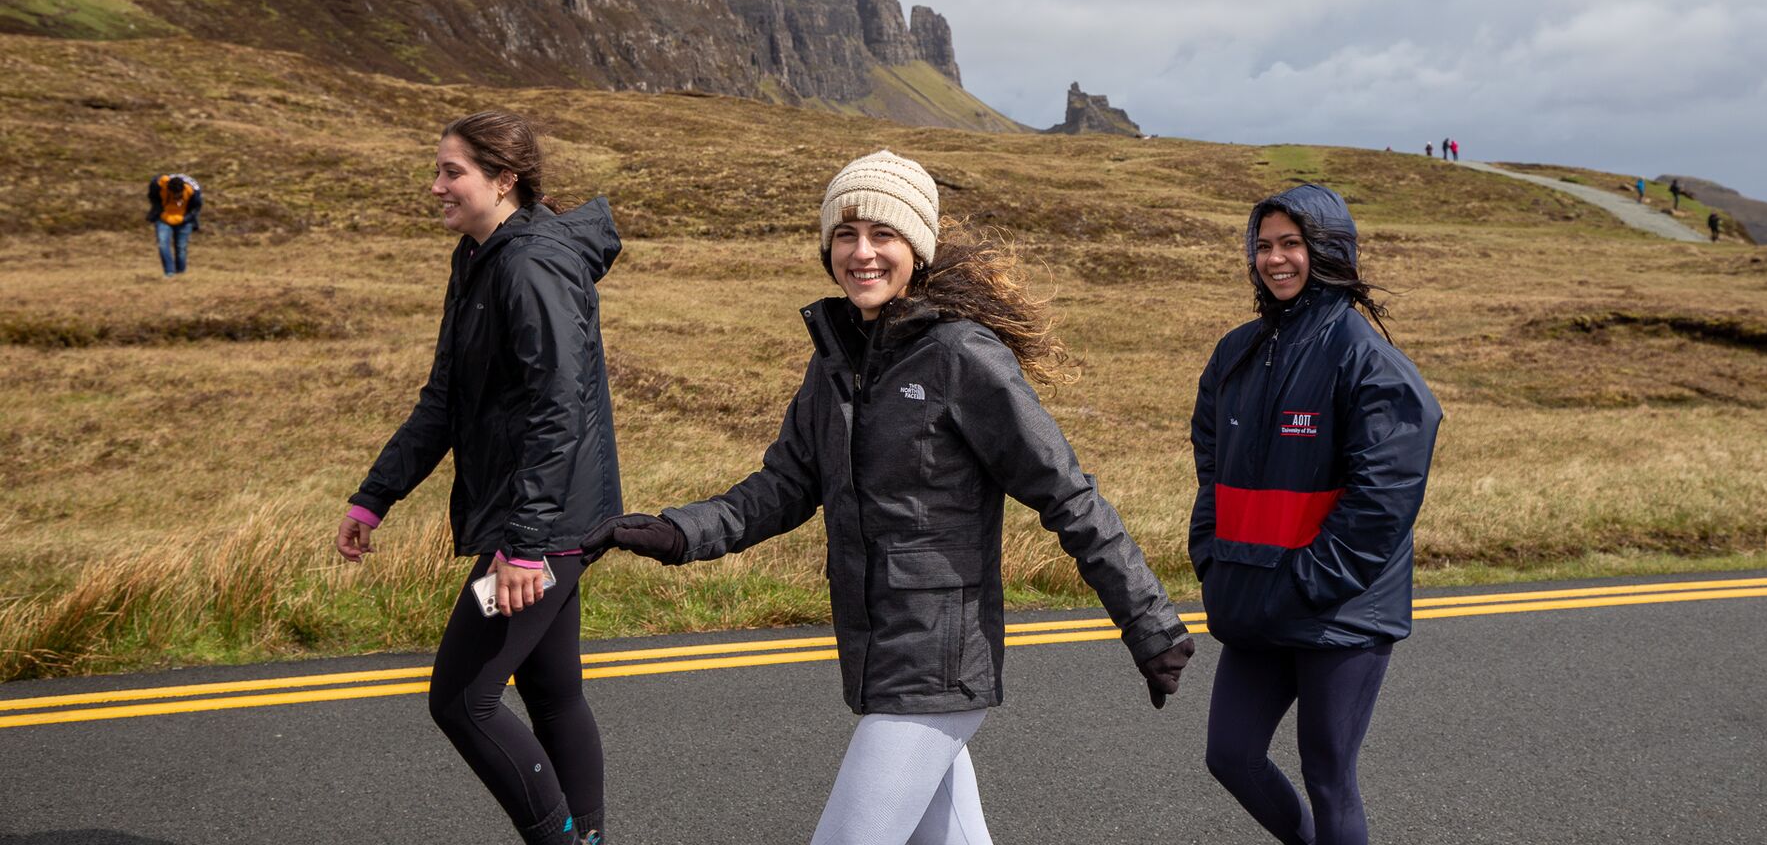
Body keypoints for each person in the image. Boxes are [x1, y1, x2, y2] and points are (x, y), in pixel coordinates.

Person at [588, 150, 1194, 845]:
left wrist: (1151, 626)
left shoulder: (962, 357)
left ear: (917, 248)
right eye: (845, 235)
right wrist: (677, 532)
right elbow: (783, 486)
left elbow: (1066, 494)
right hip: (882, 652)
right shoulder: (835, 364)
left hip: (938, 662)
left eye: (883, 235)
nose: (862, 252)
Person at [334, 111, 623, 845]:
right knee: (553, 693)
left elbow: (560, 408)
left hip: (546, 528)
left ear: (504, 180)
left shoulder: (530, 266)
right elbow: (445, 400)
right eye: (437, 170)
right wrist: (375, 497)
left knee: (463, 700)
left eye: (451, 172)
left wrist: (525, 546)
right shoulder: (479, 257)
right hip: (549, 520)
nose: (435, 186)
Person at [1189, 184, 1442, 845]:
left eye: (1291, 245)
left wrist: (1306, 580)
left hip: (1338, 609)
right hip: (1253, 591)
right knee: (1231, 756)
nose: (1275, 259)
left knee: (1329, 776)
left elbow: (1382, 499)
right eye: (1264, 245)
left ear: (1326, 251)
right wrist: (1211, 553)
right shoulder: (1235, 353)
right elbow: (1211, 462)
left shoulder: (1366, 358)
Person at [145, 172, 202, 276]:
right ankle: (169, 272)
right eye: (173, 193)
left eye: (178, 194)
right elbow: (152, 196)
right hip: (163, 218)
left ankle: (180, 273)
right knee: (163, 244)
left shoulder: (193, 190)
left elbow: (196, 208)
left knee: (181, 247)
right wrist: (158, 211)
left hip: (184, 220)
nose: (176, 196)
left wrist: (185, 219)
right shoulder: (158, 184)